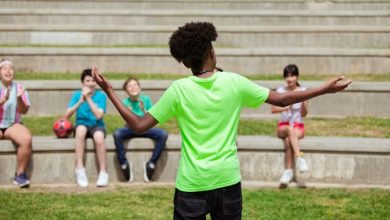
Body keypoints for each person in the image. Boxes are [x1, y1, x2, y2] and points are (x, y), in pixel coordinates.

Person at [91, 22, 351, 219]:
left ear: (186, 62)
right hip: (227, 182)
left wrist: (110, 91)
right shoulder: (234, 82)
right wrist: (324, 89)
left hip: (191, 184)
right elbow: (282, 100)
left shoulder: (178, 90)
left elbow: (137, 125)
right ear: (211, 52)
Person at [113, 77, 168, 182]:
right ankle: (124, 164)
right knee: (117, 133)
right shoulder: (125, 102)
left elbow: (151, 120)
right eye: (129, 86)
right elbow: (126, 123)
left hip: (146, 129)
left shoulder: (146, 99)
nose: (133, 87)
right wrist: (128, 113)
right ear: (126, 90)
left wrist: (143, 110)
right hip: (130, 129)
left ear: (139, 87)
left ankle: (151, 163)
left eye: (135, 85)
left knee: (163, 134)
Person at [65, 69, 109, 187]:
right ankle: (79, 168)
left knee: (99, 137)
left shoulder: (101, 96)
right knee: (80, 131)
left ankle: (103, 172)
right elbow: (67, 115)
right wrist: (80, 101)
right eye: (87, 80)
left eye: (93, 80)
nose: (90, 83)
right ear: (82, 83)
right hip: (82, 124)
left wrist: (88, 99)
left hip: (97, 125)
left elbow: (99, 115)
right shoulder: (76, 95)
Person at [272, 64, 309, 188]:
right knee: (289, 130)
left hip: (298, 126)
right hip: (284, 126)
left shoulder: (303, 91)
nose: (290, 79)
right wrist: (286, 106)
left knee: (289, 139)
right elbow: (273, 109)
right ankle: (299, 158)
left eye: (292, 76)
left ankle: (288, 171)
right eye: (287, 76)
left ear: (297, 77)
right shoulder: (281, 91)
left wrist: (303, 103)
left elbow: (304, 114)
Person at [0, 60, 32, 188]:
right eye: (4, 68)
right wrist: (2, 100)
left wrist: (19, 98)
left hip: (12, 125)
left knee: (26, 138)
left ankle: (20, 175)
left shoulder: (20, 88)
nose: (8, 71)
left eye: (10, 68)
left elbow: (24, 111)